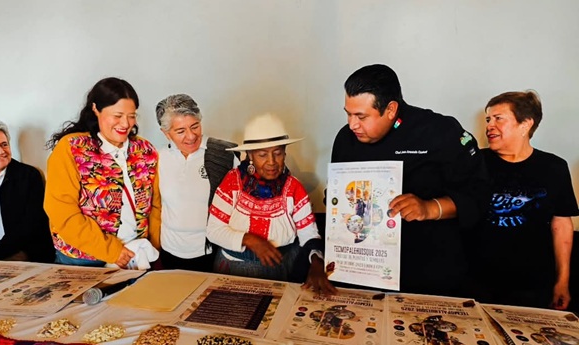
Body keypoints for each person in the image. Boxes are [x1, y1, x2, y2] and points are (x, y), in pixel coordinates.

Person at [331, 64, 487, 296]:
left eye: (361, 116)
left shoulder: (440, 132)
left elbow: (478, 196)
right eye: (348, 113)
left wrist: (429, 208)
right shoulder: (346, 140)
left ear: (391, 109)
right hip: (365, 271)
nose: (352, 124)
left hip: (428, 272)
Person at [467, 91, 578, 309]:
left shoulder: (554, 167)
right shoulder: (474, 162)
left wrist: (563, 281)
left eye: (498, 118)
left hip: (532, 285)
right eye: (488, 119)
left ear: (525, 124)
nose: (489, 126)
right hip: (474, 280)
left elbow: (561, 225)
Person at [207, 114, 336, 294]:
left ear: (285, 153)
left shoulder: (294, 187)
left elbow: (309, 233)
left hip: (284, 268)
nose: (272, 162)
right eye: (262, 155)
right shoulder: (232, 182)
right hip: (236, 268)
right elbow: (213, 231)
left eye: (278, 153)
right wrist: (250, 240)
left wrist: (316, 261)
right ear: (250, 155)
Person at [44, 77, 160, 268]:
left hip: (136, 255)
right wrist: (111, 250)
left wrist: (154, 247)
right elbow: (62, 211)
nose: (125, 123)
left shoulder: (145, 150)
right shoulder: (72, 148)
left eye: (131, 116)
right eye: (117, 115)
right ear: (96, 109)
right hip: (83, 259)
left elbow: (156, 206)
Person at [154, 94, 239, 272]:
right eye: (180, 131)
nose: (191, 136)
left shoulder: (224, 154)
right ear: (166, 133)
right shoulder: (158, 158)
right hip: (170, 250)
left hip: (212, 250)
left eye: (195, 126)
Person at [0, 120, 54, 262]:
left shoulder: (28, 176)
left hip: (18, 250)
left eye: (4, 144)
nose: (0, 151)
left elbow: (30, 224)